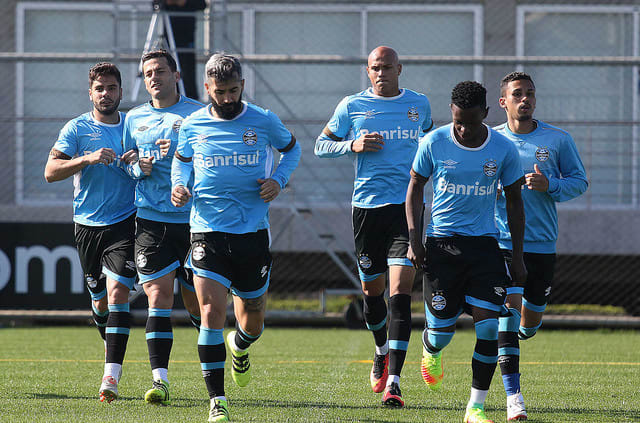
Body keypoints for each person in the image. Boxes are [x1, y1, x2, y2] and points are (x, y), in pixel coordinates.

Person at [171, 53, 300, 422]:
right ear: (208, 88)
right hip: (206, 230)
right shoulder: (193, 124)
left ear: (242, 86)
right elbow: (181, 160)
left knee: (254, 317)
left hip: (252, 233)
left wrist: (278, 180)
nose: (228, 99)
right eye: (220, 92)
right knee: (212, 312)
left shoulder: (262, 120)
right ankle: (217, 402)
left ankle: (240, 347)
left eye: (233, 90)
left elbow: (292, 150)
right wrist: (180, 184)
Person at [314, 46, 433, 407]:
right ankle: (381, 349)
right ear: (368, 71)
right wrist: (353, 144)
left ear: (400, 68)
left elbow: (430, 144)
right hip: (366, 209)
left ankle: (394, 381)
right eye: (374, 68)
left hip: (406, 209)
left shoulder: (419, 105)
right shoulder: (351, 106)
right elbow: (321, 145)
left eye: (387, 67)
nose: (381, 73)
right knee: (373, 294)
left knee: (401, 294)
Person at [406, 81, 527, 423]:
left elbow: (516, 203)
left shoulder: (503, 149)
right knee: (442, 333)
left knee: (489, 328)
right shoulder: (434, 142)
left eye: (470, 122)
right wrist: (415, 238)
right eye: (458, 121)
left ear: (486, 115)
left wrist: (517, 257)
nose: (463, 128)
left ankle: (475, 407)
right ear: (452, 113)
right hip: (442, 245)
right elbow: (415, 188)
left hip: (484, 246)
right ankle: (431, 347)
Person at [494, 71, 588, 421]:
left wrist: (550, 185)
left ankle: (527, 327)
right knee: (506, 311)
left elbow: (579, 182)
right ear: (503, 101)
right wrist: (495, 191)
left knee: (528, 322)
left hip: (542, 243)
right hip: (502, 241)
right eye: (517, 94)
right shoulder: (490, 141)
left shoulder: (558, 140)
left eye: (530, 94)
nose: (525, 100)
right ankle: (513, 397)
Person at [44, 62, 138, 403]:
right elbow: (51, 171)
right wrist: (87, 158)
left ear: (121, 92)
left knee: (117, 295)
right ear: (90, 93)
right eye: (100, 89)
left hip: (126, 222)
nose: (106, 94)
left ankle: (110, 376)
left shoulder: (132, 125)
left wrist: (138, 159)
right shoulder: (76, 128)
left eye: (111, 88)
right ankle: (108, 332)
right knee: (99, 303)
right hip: (87, 225)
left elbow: (149, 161)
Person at [122, 49, 204, 405]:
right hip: (151, 221)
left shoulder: (199, 114)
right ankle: (160, 381)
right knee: (158, 296)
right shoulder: (134, 118)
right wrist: (142, 167)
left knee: (199, 305)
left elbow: (213, 163)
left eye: (159, 71)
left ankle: (217, 360)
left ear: (176, 75)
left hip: (194, 221)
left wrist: (181, 161)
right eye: (147, 73)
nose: (152, 77)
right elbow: (127, 166)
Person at [158, 0, 206, 100]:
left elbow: (202, 4)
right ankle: (171, 98)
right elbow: (156, 4)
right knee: (169, 68)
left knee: (188, 71)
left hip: (187, 37)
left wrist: (185, 2)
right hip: (169, 38)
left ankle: (190, 99)